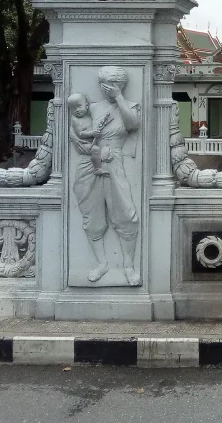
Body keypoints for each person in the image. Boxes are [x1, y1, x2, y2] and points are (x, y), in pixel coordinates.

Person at [73, 66, 141, 285]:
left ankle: (129, 265)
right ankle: (102, 263)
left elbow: (132, 125)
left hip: (115, 162)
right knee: (92, 216)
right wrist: (79, 142)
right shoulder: (92, 108)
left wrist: (119, 97)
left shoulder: (130, 106)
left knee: (125, 215)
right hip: (90, 164)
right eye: (102, 83)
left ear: (119, 84)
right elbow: (76, 130)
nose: (104, 88)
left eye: (109, 84)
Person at [67, 93, 110, 177]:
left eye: (79, 106)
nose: (77, 110)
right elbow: (80, 134)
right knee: (96, 149)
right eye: (73, 108)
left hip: (92, 141)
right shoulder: (75, 119)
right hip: (83, 144)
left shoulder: (90, 114)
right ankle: (97, 169)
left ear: (86, 105)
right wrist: (92, 133)